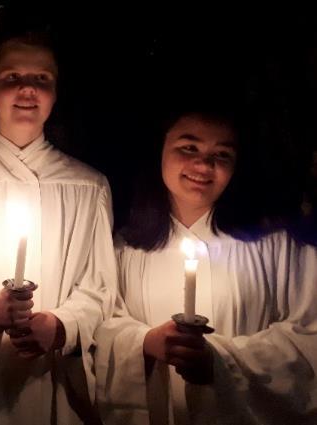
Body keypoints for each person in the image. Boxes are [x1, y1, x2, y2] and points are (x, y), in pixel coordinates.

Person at [0, 22, 116, 425]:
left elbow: (100, 288)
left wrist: (62, 324)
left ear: (55, 93)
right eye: (13, 78)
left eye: (41, 79)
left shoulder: (87, 186)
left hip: (53, 382)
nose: (27, 89)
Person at [94, 108, 317, 424]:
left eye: (222, 154)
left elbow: (309, 337)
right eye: (189, 148)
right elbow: (104, 324)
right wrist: (146, 342)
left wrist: (221, 362)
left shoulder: (276, 244)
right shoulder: (126, 247)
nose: (204, 165)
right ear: (161, 149)